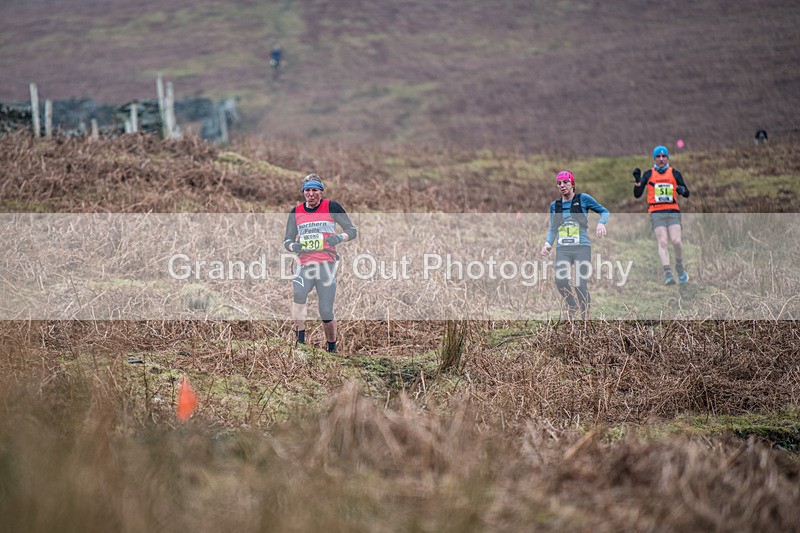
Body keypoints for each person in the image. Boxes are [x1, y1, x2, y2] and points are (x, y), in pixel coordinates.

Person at [283, 174, 357, 353]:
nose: (311, 194)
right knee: (299, 294)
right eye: (307, 190)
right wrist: (295, 246)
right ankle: (300, 343)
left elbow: (352, 231)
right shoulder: (296, 212)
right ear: (303, 192)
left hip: (326, 264)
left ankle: (332, 349)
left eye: (315, 190)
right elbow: (287, 240)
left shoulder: (331, 206)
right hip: (305, 264)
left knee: (325, 311)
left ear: (321, 192)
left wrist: (338, 238)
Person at [540, 171, 610, 320]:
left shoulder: (583, 199)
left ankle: (585, 319)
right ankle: (572, 304)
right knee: (560, 280)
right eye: (559, 183)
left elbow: (604, 211)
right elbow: (553, 228)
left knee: (580, 283)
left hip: (582, 247)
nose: (562, 185)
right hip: (563, 248)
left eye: (565, 182)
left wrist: (601, 223)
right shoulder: (555, 206)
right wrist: (547, 244)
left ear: (572, 183)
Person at [632, 145, 690, 285]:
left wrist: (681, 189)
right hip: (656, 211)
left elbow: (687, 193)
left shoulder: (675, 173)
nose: (661, 159)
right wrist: (638, 182)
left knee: (676, 241)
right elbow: (637, 195)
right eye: (658, 156)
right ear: (654, 158)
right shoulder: (648, 174)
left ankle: (679, 266)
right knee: (663, 241)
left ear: (667, 158)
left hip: (672, 211)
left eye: (664, 156)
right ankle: (668, 273)